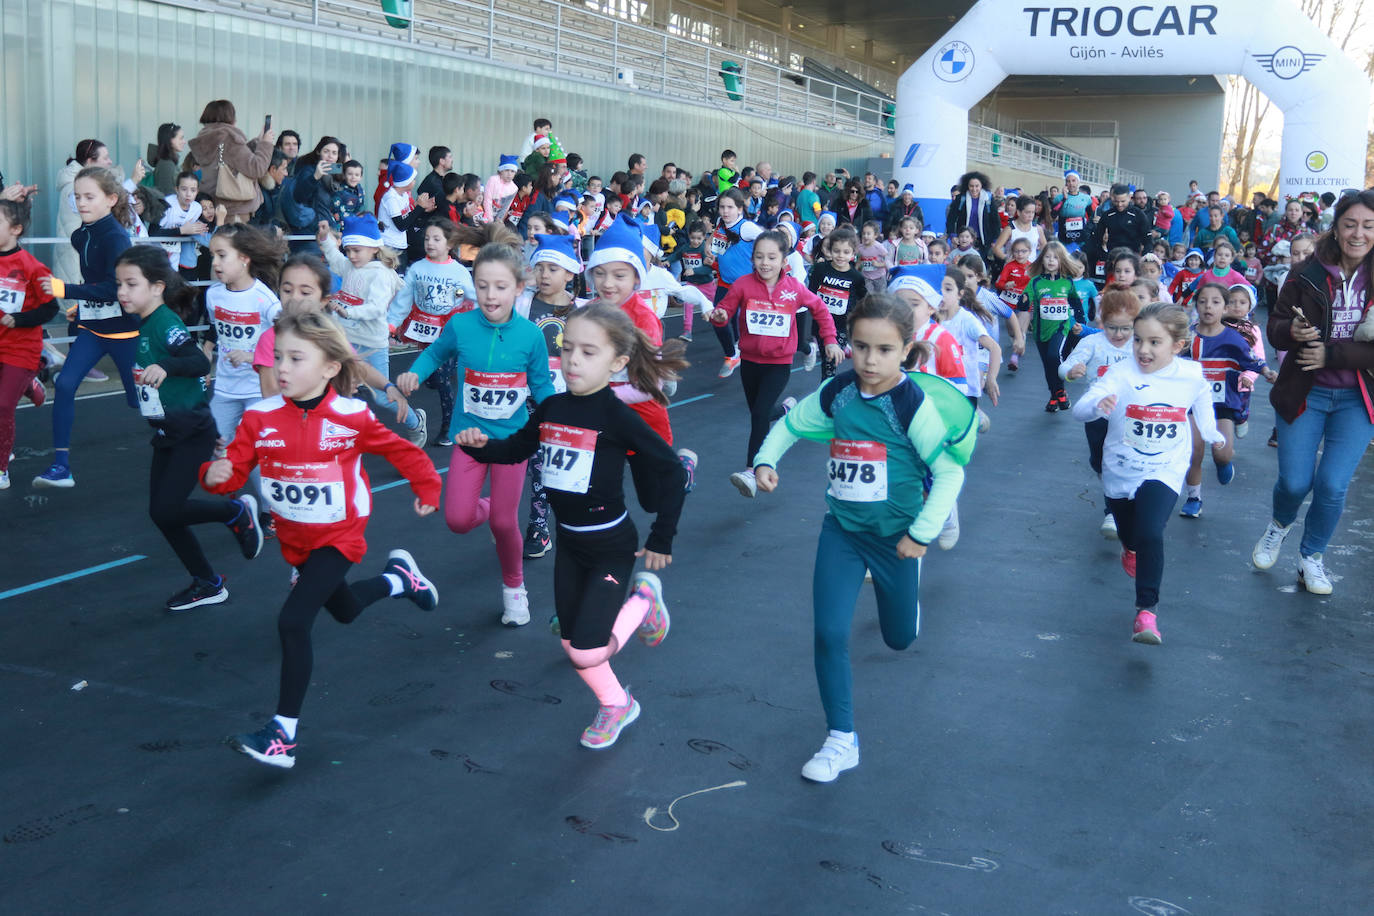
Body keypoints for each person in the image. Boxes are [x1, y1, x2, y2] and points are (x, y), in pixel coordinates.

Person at [204, 311, 441, 769]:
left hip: (341, 535)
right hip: (296, 539)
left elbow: (403, 451)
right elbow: (233, 468)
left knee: (293, 622)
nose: (282, 368)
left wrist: (428, 489)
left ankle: (282, 736)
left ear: (331, 367)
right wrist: (215, 475)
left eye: (296, 358)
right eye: (278, 357)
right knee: (345, 609)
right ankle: (400, 580)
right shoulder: (259, 417)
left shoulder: (351, 416)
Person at [752, 292, 973, 782]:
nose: (870, 360)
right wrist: (765, 460)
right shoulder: (839, 390)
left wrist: (921, 534)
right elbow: (791, 424)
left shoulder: (911, 405)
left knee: (899, 639)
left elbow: (950, 473)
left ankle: (908, 600)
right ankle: (841, 739)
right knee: (829, 633)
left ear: (906, 350)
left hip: (898, 540)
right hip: (844, 531)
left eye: (885, 350)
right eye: (861, 347)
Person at [457, 303, 684, 748]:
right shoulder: (552, 407)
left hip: (611, 545)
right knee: (570, 642)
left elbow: (673, 471)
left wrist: (662, 537)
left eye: (588, 352)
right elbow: (516, 449)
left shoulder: (618, 417)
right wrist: (479, 446)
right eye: (567, 349)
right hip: (571, 545)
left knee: (585, 650)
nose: (574, 361)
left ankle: (639, 617)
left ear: (617, 362)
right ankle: (617, 687)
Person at [396, 228, 555, 626]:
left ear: (518, 288)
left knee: (504, 522)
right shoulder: (461, 325)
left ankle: (515, 590)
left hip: (512, 443)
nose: (490, 295)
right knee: (458, 520)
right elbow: (435, 353)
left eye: (500, 287)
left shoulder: (531, 336)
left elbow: (541, 386)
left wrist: (560, 415)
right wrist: (415, 372)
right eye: (482, 286)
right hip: (469, 440)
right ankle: (484, 505)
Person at [113, 245, 264, 610]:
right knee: (161, 513)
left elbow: (197, 361)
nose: (122, 292)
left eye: (131, 284)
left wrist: (165, 366)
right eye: (119, 284)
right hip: (169, 432)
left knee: (167, 509)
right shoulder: (144, 322)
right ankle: (208, 582)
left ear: (157, 287)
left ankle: (234, 513)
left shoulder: (165, 323)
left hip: (190, 431)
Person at [1071, 302, 1226, 645]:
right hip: (1120, 469)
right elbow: (1079, 410)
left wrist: (1210, 431)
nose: (1143, 349)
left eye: (1155, 342)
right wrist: (1096, 406)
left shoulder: (1190, 375)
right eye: (1138, 340)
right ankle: (1130, 548)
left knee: (1152, 531)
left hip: (1165, 467)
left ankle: (1146, 613)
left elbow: (1202, 399)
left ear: (1177, 345)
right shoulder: (1121, 374)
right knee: (1132, 535)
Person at [1250, 189, 1374, 594]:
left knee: (1333, 485)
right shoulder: (1306, 272)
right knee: (1294, 483)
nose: (1358, 234)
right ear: (1335, 228)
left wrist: (1331, 355)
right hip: (1305, 391)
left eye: (1368, 226)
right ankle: (1279, 525)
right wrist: (1292, 330)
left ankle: (1311, 557)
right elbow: (1275, 328)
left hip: (1358, 399)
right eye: (1350, 224)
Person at [708, 230, 841, 496]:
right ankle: (785, 410)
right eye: (759, 257)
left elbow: (820, 309)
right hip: (750, 361)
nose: (765, 263)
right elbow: (725, 312)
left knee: (759, 415)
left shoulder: (794, 288)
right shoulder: (743, 285)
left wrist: (829, 340)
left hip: (779, 363)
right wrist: (719, 317)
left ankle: (752, 470)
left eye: (771, 257)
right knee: (760, 413)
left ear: (783, 261)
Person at [33, 168, 137, 487]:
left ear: (111, 199)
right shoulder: (82, 235)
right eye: (77, 197)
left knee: (142, 401)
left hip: (125, 333)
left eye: (90, 197)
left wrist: (66, 290)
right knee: (65, 385)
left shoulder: (116, 237)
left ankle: (186, 436)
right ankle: (61, 466)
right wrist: (82, 309)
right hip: (93, 330)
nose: (81, 203)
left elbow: (114, 288)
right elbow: (95, 283)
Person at [318, 217, 425, 445]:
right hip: (347, 340)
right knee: (339, 388)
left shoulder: (380, 274)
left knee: (382, 397)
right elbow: (336, 259)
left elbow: (376, 308)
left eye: (356, 250)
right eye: (349, 250)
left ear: (374, 248)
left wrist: (348, 312)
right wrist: (326, 239)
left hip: (372, 342)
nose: (351, 256)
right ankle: (340, 436)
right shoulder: (351, 265)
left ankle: (415, 422)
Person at [1177, 283, 1272, 518]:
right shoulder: (1188, 336)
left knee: (1222, 452)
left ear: (1225, 307)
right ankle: (1194, 497)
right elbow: (1171, 361)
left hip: (1223, 403)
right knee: (1194, 451)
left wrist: (1267, 372)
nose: (1208, 306)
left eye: (1215, 302)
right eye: (1202, 302)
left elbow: (1251, 358)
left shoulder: (1233, 337)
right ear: (1196, 306)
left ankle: (1222, 462)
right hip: (1193, 403)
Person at [1060, 289, 1141, 537]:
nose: (1119, 334)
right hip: (1097, 414)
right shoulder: (1092, 343)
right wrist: (1070, 372)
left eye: (1126, 328)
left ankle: (1113, 511)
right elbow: (1066, 364)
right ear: (1102, 321)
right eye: (1112, 327)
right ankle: (1114, 496)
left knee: (1122, 461)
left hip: (1130, 416)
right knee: (1100, 461)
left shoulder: (1140, 345)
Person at [204, 223, 285, 464]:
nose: (215, 263)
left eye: (221, 255)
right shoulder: (213, 294)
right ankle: (230, 489)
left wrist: (252, 357)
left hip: (258, 389)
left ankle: (265, 490)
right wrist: (206, 351)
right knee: (215, 450)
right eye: (212, 256)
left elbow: (286, 340)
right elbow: (215, 328)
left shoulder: (265, 300)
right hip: (225, 387)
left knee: (261, 455)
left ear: (244, 258)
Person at [0, 199, 58, 490]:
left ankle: (1, 468)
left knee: (2, 406)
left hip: (21, 348)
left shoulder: (33, 267)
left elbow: (51, 309)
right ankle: (29, 384)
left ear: (16, 229)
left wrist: (19, 319)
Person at [185, 100, 274, 222]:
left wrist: (257, 142)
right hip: (235, 212)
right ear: (230, 117)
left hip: (215, 207)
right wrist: (266, 144)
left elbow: (230, 158)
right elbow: (257, 168)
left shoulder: (206, 138)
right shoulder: (229, 138)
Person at [706, 188, 762, 378]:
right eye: (722, 207)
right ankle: (732, 355)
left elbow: (769, 240)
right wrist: (710, 254)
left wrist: (764, 263)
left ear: (739, 208)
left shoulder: (747, 228)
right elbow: (714, 245)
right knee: (717, 318)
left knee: (746, 324)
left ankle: (752, 354)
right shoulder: (721, 224)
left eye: (729, 207)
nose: (725, 211)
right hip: (725, 283)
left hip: (747, 286)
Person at [1023, 241, 1085, 412]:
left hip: (1060, 327)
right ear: (1041, 259)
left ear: (1062, 261)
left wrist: (1081, 321)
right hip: (1040, 330)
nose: (1051, 261)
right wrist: (1023, 301)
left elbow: (1075, 302)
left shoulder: (1067, 282)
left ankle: (1060, 390)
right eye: (1047, 257)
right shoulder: (1035, 282)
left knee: (1053, 356)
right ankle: (1054, 396)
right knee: (1047, 365)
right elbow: (1024, 301)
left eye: (1055, 258)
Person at [807, 226, 867, 380]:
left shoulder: (856, 277)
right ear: (829, 250)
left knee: (830, 361)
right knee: (825, 358)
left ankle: (825, 387)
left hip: (841, 326)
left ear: (853, 253)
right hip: (820, 322)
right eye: (837, 251)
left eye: (846, 252)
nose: (841, 256)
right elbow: (810, 293)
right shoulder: (820, 269)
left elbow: (863, 298)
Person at [1088, 183, 1149, 279]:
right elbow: (1098, 238)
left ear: (1129, 198)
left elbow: (1147, 238)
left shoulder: (1138, 215)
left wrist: (1145, 256)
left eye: (1123, 201)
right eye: (1116, 201)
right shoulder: (1107, 215)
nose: (1120, 204)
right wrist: (1102, 255)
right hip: (1112, 259)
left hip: (1132, 258)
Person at [946, 171, 999, 255]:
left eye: (977, 186)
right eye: (971, 186)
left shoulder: (988, 199)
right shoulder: (961, 198)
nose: (974, 189)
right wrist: (952, 235)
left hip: (983, 242)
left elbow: (995, 221)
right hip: (964, 239)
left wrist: (995, 239)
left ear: (982, 186)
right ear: (967, 186)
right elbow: (951, 218)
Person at [992, 195, 1046, 263]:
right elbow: (996, 248)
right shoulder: (1010, 229)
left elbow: (1045, 247)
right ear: (1018, 212)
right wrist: (1007, 259)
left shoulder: (1038, 228)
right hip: (1013, 267)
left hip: (1032, 267)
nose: (1031, 215)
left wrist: (1040, 261)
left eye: (1033, 212)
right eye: (1027, 212)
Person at [1052, 169, 1096, 253]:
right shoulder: (1059, 198)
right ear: (1065, 184)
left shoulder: (1086, 198)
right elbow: (1053, 215)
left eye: (1073, 181)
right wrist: (1064, 199)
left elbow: (1091, 216)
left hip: (1080, 238)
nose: (1071, 184)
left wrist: (1088, 229)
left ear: (1078, 182)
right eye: (1068, 181)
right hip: (1064, 237)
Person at [147, 122, 187, 197]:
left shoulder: (168, 162)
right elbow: (168, 195)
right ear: (169, 140)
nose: (184, 142)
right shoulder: (166, 164)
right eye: (181, 138)